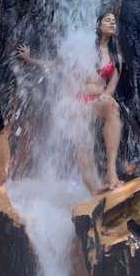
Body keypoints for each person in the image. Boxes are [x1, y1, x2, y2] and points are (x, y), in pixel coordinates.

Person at [15, 13, 123, 193]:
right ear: (98, 24)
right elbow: (55, 64)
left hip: (96, 102)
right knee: (82, 148)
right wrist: (30, 60)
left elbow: (111, 86)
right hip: (75, 104)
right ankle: (97, 192)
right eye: (107, 20)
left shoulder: (116, 57)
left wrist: (105, 96)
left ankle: (111, 173)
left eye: (114, 21)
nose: (112, 22)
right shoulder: (82, 47)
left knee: (112, 107)